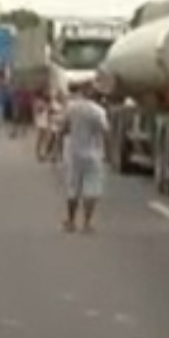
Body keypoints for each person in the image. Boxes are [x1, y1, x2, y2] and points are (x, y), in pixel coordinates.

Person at [60, 82, 111, 233]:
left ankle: (70, 221)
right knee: (91, 188)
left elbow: (64, 128)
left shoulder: (72, 108)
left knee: (73, 187)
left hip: (74, 152)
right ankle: (87, 223)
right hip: (93, 153)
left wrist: (57, 146)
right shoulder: (98, 111)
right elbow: (105, 131)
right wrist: (108, 153)